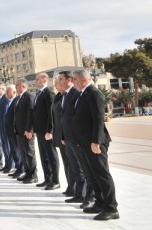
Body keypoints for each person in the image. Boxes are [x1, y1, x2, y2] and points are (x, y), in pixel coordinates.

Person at [72, 69, 119, 221]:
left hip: (95, 143)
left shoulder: (94, 93)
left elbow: (98, 120)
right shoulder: (83, 93)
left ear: (84, 80)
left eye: (75, 79)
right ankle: (99, 203)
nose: (73, 82)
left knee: (102, 175)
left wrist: (96, 142)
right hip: (84, 143)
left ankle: (111, 208)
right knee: (92, 176)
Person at [59, 71, 93, 208]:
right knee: (75, 168)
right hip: (69, 138)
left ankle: (89, 197)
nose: (59, 82)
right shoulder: (66, 95)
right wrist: (63, 136)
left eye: (61, 79)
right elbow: (64, 118)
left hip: (77, 138)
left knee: (83, 169)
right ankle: (79, 194)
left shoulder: (75, 92)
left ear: (69, 80)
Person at [32, 72, 60, 190]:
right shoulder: (38, 93)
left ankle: (55, 181)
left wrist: (50, 130)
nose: (36, 81)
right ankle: (47, 179)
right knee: (44, 156)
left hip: (47, 131)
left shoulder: (49, 93)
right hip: (39, 131)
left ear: (44, 80)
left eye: (37, 79)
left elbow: (51, 114)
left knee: (51, 156)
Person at [13, 80, 37, 183]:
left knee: (29, 153)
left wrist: (29, 130)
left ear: (23, 86)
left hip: (26, 131)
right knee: (23, 153)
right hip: (19, 131)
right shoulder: (18, 97)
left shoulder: (29, 96)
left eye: (17, 85)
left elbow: (31, 114)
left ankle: (33, 175)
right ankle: (27, 173)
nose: (15, 87)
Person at [52, 75, 71, 195]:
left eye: (58, 82)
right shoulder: (58, 97)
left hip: (69, 136)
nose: (56, 85)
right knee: (67, 163)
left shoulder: (69, 95)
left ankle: (78, 189)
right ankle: (71, 186)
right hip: (60, 135)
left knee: (73, 164)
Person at [3, 84, 22, 176]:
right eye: (6, 91)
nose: (6, 93)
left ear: (13, 92)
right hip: (9, 131)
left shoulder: (16, 100)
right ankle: (17, 168)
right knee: (14, 151)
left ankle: (20, 169)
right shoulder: (10, 101)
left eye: (8, 91)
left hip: (15, 131)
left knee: (17, 151)